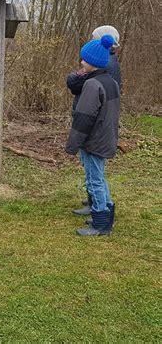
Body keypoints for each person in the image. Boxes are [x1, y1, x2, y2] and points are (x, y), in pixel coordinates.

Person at [65, 34, 120, 236]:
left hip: (93, 140)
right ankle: (105, 213)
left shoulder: (91, 85)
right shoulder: (110, 82)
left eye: (84, 59)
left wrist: (72, 145)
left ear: (93, 62)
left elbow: (83, 119)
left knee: (95, 179)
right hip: (105, 137)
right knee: (99, 177)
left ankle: (100, 224)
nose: (81, 62)